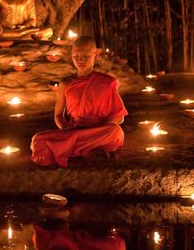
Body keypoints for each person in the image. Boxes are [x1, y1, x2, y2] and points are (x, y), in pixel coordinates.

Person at [31, 35, 128, 168]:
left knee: (115, 132)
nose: (80, 59)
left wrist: (95, 131)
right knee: (38, 139)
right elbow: (58, 115)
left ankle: (72, 153)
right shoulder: (65, 83)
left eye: (86, 56)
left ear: (96, 55)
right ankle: (91, 151)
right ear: (71, 56)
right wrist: (66, 130)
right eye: (76, 56)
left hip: (99, 131)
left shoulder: (107, 82)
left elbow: (118, 116)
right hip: (75, 130)